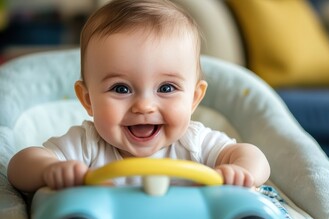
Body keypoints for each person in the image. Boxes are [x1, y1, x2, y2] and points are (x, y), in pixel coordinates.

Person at [7, 0, 270, 192]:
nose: (144, 106)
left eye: (166, 88)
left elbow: (254, 157)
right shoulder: (87, 146)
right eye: (121, 88)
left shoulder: (195, 144)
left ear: (193, 98)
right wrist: (50, 170)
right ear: (88, 100)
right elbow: (18, 167)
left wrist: (240, 172)